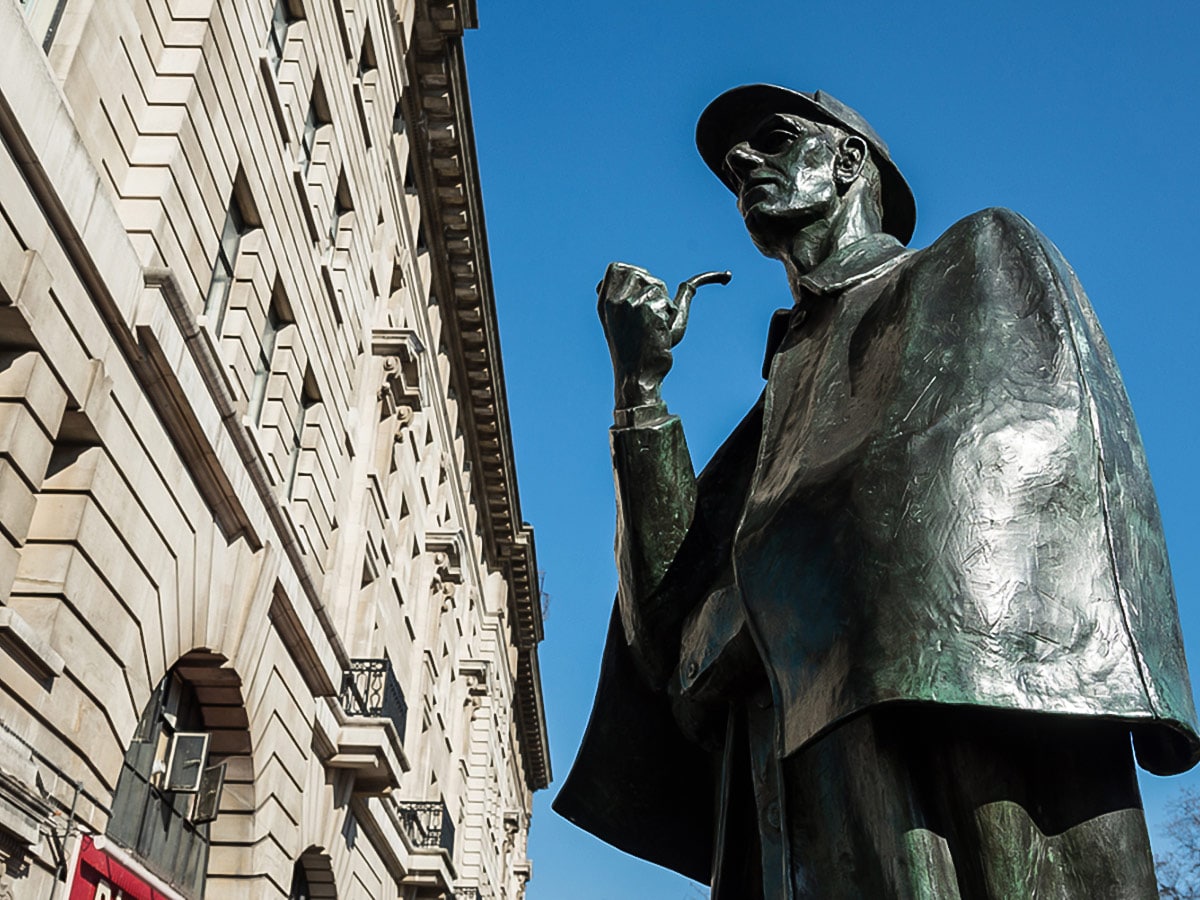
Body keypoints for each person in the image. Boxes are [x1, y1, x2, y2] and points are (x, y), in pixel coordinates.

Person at [554, 85, 1200, 899]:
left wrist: (730, 625)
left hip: (920, 771)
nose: (743, 163)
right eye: (733, 163)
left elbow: (952, 513)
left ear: (849, 159)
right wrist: (639, 393)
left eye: (775, 140)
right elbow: (663, 641)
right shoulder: (771, 412)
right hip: (779, 800)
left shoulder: (970, 264)